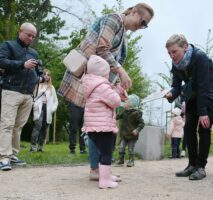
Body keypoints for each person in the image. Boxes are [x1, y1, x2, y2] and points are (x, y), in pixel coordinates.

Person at [58, 2, 154, 155]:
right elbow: (101, 50)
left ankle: (98, 169)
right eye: (143, 22)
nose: (141, 27)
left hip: (98, 85)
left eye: (145, 26)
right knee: (96, 127)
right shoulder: (114, 19)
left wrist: (117, 89)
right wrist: (122, 72)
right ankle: (98, 169)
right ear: (134, 12)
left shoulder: (123, 35)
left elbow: (109, 67)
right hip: (87, 80)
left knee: (98, 127)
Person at [164, 34, 213, 181]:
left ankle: (201, 167)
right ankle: (191, 165)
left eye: (174, 51)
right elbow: (176, 86)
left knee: (204, 127)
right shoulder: (176, 63)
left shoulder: (199, 57)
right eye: (169, 53)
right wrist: (171, 93)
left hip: (212, 95)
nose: (172, 56)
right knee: (188, 127)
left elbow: (203, 86)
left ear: (185, 47)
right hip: (194, 94)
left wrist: (202, 112)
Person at [0, 22, 44, 171]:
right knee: (7, 124)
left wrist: (40, 75)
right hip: (11, 90)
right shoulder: (8, 45)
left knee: (18, 127)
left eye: (33, 36)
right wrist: (22, 64)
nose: (31, 38)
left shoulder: (34, 53)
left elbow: (38, 71)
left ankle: (12, 155)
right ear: (20, 31)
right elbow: (1, 61)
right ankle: (3, 158)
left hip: (28, 93)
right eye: (28, 35)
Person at [81, 55, 124, 189]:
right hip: (103, 126)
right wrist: (117, 91)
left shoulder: (91, 84)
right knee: (106, 153)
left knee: (102, 152)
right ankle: (104, 181)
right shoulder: (102, 86)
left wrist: (114, 90)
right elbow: (115, 102)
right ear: (103, 72)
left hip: (94, 127)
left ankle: (105, 175)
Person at [30, 69, 58, 152]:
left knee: (44, 128)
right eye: (45, 74)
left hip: (47, 109)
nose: (46, 76)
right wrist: (34, 105)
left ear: (50, 77)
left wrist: (53, 109)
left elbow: (55, 101)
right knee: (37, 126)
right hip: (39, 107)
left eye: (48, 75)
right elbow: (32, 97)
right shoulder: (37, 85)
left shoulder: (51, 87)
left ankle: (40, 147)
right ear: (42, 75)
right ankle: (32, 147)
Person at [115, 94, 145, 167]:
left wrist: (137, 130)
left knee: (131, 149)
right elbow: (116, 117)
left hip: (132, 135)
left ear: (131, 104)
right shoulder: (124, 112)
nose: (125, 103)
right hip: (124, 134)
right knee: (121, 147)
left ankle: (131, 161)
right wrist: (115, 109)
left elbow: (142, 124)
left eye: (126, 102)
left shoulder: (136, 113)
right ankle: (121, 160)